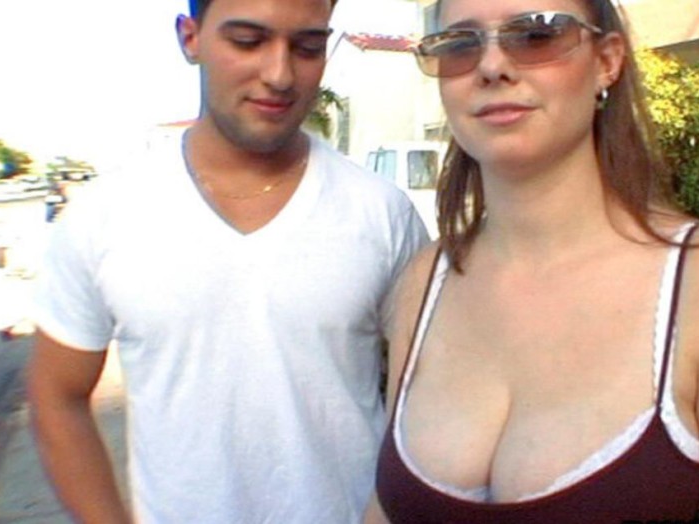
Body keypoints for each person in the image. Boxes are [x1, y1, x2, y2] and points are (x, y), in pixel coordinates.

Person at [365, 0, 699, 522]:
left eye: (537, 34)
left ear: (607, 61)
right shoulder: (424, 282)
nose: (492, 66)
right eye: (460, 44)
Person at [27, 0, 428, 522]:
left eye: (308, 47)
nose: (280, 74)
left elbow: (433, 400)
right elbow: (57, 396)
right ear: (190, 38)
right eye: (247, 41)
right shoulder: (104, 217)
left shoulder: (382, 214)